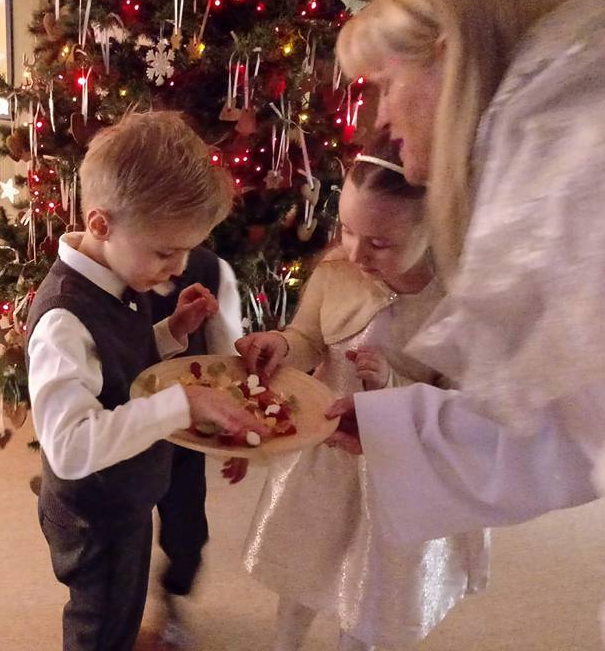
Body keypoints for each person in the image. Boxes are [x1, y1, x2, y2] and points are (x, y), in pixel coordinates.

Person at [315, 0, 605, 649]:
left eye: (386, 83)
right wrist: (400, 429)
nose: (382, 119)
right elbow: (566, 420)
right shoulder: (557, 148)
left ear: (448, 60)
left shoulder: (595, 171)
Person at [25, 110, 270, 651]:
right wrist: (181, 404)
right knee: (100, 624)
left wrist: (170, 333)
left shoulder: (119, 277)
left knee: (125, 603)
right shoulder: (64, 319)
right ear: (100, 225)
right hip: (95, 518)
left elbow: (116, 370)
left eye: (186, 251)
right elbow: (68, 446)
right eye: (165, 252)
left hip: (126, 497)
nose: (179, 268)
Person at [233, 135, 488, 651]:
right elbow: (308, 338)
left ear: (433, 226)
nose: (355, 252)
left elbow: (459, 408)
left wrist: (391, 385)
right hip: (326, 455)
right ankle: (286, 642)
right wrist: (281, 345)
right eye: (347, 230)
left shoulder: (456, 303)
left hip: (398, 470)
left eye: (379, 242)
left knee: (373, 581)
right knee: (306, 560)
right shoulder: (336, 273)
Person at [147, 245, 243, 650]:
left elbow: (227, 353)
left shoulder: (210, 269)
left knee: (187, 533)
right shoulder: (106, 274)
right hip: (121, 427)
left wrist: (237, 432)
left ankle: (173, 592)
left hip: (184, 434)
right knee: (119, 537)